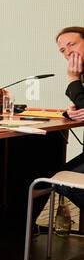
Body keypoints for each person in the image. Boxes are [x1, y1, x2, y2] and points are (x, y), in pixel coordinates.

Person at [50, 26, 84, 216]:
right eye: (63, 50)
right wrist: (71, 112)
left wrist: (73, 79)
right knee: (57, 179)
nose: (68, 52)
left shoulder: (77, 76)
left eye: (72, 45)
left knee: (67, 184)